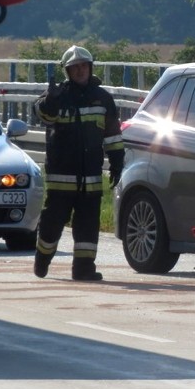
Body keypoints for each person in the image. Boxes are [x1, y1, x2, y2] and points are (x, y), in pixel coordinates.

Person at [33, 45, 124, 281]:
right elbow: (43, 116)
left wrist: (117, 160)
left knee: (87, 227)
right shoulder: (57, 95)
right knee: (52, 224)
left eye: (84, 66)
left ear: (90, 67)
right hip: (61, 177)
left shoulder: (103, 98)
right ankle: (42, 258)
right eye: (75, 67)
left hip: (91, 178)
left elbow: (112, 133)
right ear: (68, 71)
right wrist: (49, 101)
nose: (80, 70)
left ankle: (83, 269)